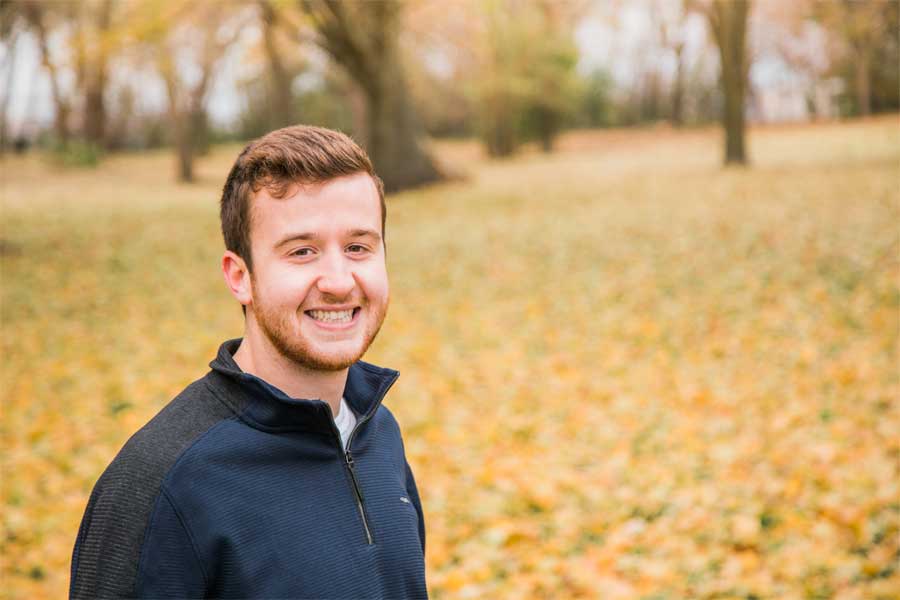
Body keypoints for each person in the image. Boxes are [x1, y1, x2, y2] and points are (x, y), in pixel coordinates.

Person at [69, 126, 427, 599]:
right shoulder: (162, 484)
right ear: (240, 277)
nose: (340, 281)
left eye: (359, 247)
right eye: (302, 251)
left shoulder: (378, 434)